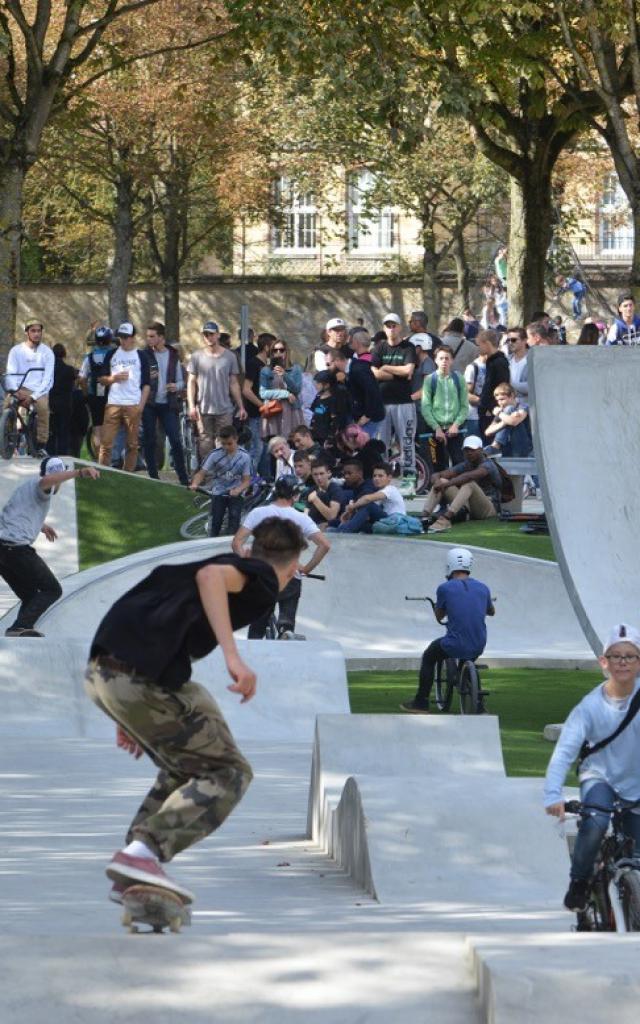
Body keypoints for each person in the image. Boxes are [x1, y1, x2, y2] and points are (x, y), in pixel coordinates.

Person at [85, 516, 306, 904]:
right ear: (293, 566)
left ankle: (133, 864)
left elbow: (147, 605)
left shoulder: (214, 566)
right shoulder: (262, 578)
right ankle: (144, 853)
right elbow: (211, 578)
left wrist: (127, 713)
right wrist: (234, 658)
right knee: (229, 772)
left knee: (188, 759)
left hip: (106, 672)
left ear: (251, 547)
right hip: (137, 679)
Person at [544, 624, 640, 913]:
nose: (623, 662)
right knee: (595, 823)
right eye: (616, 656)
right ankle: (580, 882)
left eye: (630, 656)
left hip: (636, 783)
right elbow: (563, 752)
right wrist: (552, 794)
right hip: (599, 777)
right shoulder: (589, 707)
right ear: (604, 662)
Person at [1, 457, 100, 637]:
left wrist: (42, 526)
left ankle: (19, 630)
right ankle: (19, 626)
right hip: (16, 550)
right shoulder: (43, 486)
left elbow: (14, 514)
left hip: (3, 552)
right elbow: (47, 481)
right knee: (52, 589)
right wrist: (80, 472)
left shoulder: (26, 488)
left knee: (31, 596)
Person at [233, 476, 330, 638]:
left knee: (257, 626)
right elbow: (324, 545)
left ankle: (255, 648)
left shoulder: (258, 513)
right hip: (290, 576)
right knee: (287, 618)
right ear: (295, 495)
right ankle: (286, 630)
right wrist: (306, 569)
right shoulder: (301, 518)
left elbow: (236, 543)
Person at [400, 547, 494, 713]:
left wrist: (440, 606)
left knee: (429, 656)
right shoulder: (483, 588)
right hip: (479, 643)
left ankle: (421, 702)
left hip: (454, 643)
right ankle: (478, 704)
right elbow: (491, 612)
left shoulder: (445, 588)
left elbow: (439, 617)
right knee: (468, 658)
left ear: (449, 566)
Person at [187, 320, 247, 461]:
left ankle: (223, 475)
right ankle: (208, 477)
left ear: (218, 335)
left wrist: (241, 406)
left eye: (211, 334)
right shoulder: (196, 356)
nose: (209, 337)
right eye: (206, 334)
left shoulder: (230, 357)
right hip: (203, 408)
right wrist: (191, 406)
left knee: (225, 442)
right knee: (205, 443)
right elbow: (191, 382)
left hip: (224, 408)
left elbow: (234, 383)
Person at [97, 322, 152, 473]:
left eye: (126, 337)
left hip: (133, 404)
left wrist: (140, 406)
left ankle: (128, 475)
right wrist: (113, 378)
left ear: (133, 338)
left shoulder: (141, 356)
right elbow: (101, 379)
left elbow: (147, 384)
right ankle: (101, 474)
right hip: (113, 403)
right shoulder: (111, 354)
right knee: (106, 443)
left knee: (132, 445)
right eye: (120, 337)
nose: (123, 340)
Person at [370, 313, 417, 480]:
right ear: (384, 328)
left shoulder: (408, 348)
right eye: (388, 326)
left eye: (394, 325)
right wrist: (397, 373)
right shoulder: (378, 349)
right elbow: (374, 373)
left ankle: (409, 478)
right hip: (382, 404)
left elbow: (408, 370)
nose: (391, 329)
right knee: (381, 444)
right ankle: (382, 478)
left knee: (406, 441)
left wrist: (386, 367)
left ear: (400, 327)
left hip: (403, 402)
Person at [422, 435, 502, 533]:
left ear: (481, 450)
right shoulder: (466, 464)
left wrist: (445, 485)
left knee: (469, 484)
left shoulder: (488, 465)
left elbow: (468, 477)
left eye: (472, 449)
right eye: (466, 450)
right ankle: (424, 516)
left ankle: (446, 519)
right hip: (469, 506)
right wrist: (438, 481)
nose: (469, 453)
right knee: (442, 481)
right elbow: (437, 475)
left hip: (489, 509)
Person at [142, 322, 189, 486]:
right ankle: (153, 476)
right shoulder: (143, 355)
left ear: (161, 337)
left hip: (168, 404)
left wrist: (176, 386)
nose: (148, 339)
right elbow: (137, 379)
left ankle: (183, 477)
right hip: (149, 402)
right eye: (147, 336)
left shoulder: (173, 355)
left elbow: (182, 382)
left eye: (152, 336)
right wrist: (147, 376)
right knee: (150, 439)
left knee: (175, 439)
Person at [190, 425, 252, 537]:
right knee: (215, 523)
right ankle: (211, 544)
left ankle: (230, 547)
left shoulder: (245, 457)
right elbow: (201, 473)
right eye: (223, 444)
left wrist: (238, 490)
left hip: (236, 494)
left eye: (229, 443)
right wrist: (195, 483)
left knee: (234, 522)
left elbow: (247, 481)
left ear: (236, 439)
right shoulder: (214, 455)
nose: (226, 447)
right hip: (219, 492)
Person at [4, 319, 55, 453]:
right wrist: (15, 391)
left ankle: (41, 445)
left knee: (43, 409)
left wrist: (33, 396)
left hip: (39, 390)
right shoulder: (16, 351)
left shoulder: (47, 352)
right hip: (20, 388)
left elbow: (48, 379)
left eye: (39, 331)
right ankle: (7, 437)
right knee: (6, 404)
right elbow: (10, 373)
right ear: (27, 332)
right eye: (33, 331)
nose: (37, 334)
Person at [420, 345, 470, 471]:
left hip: (455, 430)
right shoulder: (430, 379)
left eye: (447, 358)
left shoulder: (459, 378)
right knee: (437, 465)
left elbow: (464, 406)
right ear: (435, 360)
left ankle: (458, 489)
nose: (444, 361)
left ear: (452, 360)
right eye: (441, 358)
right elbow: (426, 407)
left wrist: (456, 425)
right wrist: (436, 427)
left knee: (459, 463)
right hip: (435, 430)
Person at [325, 346, 385, 437]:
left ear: (337, 360)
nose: (327, 368)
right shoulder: (350, 371)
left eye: (329, 364)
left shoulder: (358, 369)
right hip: (361, 416)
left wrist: (367, 416)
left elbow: (372, 391)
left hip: (372, 417)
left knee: (367, 446)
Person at [335, 461, 405, 534]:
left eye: (380, 476)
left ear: (389, 478)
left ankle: (343, 531)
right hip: (384, 523)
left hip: (395, 522)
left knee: (368, 505)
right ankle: (338, 529)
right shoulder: (378, 491)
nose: (376, 478)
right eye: (374, 476)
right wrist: (351, 513)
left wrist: (352, 507)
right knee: (360, 524)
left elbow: (367, 499)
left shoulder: (391, 489)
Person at [242, 332, 275, 477]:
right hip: (256, 413)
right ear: (267, 347)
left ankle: (263, 479)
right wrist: (262, 405)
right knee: (256, 448)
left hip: (265, 414)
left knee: (264, 448)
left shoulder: (266, 365)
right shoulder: (254, 363)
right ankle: (247, 480)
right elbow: (246, 390)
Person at [258, 338, 304, 443]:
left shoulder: (295, 369)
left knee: (293, 443)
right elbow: (263, 393)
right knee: (274, 445)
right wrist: (285, 393)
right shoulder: (266, 370)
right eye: (275, 350)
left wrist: (285, 375)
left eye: (281, 350)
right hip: (274, 411)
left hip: (292, 411)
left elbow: (297, 389)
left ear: (287, 352)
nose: (278, 353)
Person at [78, 326, 115, 453]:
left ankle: (99, 458)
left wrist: (86, 393)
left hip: (95, 396)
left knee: (97, 427)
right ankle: (111, 457)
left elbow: (82, 378)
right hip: (113, 396)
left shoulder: (89, 357)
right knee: (112, 426)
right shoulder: (115, 355)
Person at [476, 329, 510, 438]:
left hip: (493, 412)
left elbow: (501, 387)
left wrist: (491, 407)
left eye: (479, 345)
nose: (478, 348)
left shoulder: (499, 363)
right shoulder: (492, 362)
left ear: (487, 343)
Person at [483, 383, 532, 457]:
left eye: (502, 399)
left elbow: (514, 422)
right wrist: (504, 422)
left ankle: (495, 446)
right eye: (498, 400)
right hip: (508, 447)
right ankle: (496, 447)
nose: (500, 403)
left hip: (523, 447)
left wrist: (500, 414)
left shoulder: (523, 407)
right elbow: (488, 432)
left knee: (510, 409)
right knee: (508, 411)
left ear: (512, 396)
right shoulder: (503, 412)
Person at [47, 343, 76, 456]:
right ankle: (62, 454)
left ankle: (50, 453)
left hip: (52, 403)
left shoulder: (49, 370)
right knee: (63, 431)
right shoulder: (69, 370)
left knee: (51, 431)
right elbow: (76, 380)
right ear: (64, 354)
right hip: (65, 404)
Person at [309, 370, 351, 445]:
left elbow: (335, 421)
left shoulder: (333, 400)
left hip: (325, 437)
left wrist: (330, 438)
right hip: (315, 434)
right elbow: (313, 412)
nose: (316, 385)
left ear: (327, 385)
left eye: (318, 383)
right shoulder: (318, 397)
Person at [305, 459, 346, 527]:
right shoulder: (311, 490)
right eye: (315, 474)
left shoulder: (335, 489)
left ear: (329, 473)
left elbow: (331, 517)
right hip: (314, 526)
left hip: (333, 527)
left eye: (321, 473)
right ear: (312, 475)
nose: (319, 478)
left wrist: (315, 499)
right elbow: (306, 515)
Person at [505, 327, 529, 398]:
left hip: (527, 405)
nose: (510, 343)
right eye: (508, 340)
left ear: (524, 340)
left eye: (513, 340)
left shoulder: (533, 360)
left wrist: (509, 384)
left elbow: (533, 387)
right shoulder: (506, 360)